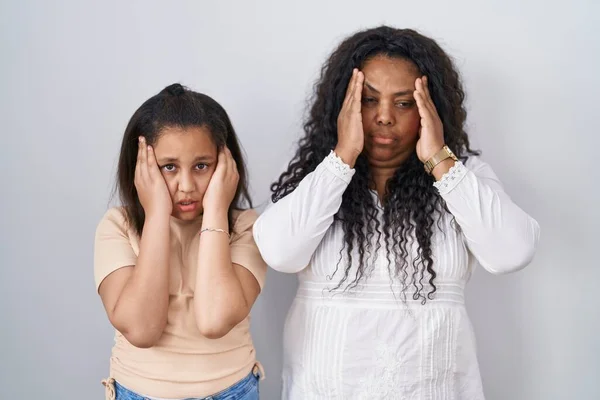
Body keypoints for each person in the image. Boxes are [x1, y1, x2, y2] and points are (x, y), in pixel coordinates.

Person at [253, 26, 540, 399]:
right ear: (344, 106)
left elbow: (511, 253)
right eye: (369, 101)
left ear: (430, 111)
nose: (384, 117)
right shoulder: (318, 180)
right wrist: (342, 158)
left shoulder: (462, 178)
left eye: (404, 103)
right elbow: (279, 252)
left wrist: (441, 162)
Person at [94, 83, 266, 400]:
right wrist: (157, 214)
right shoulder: (118, 225)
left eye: (201, 166)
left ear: (225, 164)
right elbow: (142, 330)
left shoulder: (246, 227)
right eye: (169, 167)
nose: (186, 186)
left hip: (233, 391)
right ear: (141, 167)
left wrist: (215, 211)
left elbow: (215, 321)